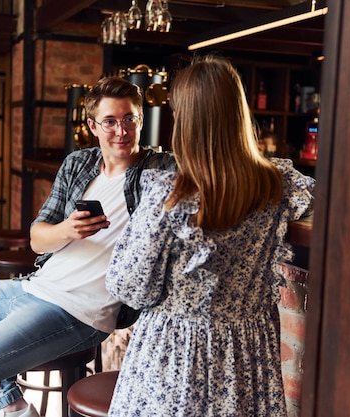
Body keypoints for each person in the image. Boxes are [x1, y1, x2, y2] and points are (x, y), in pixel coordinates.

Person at [0, 76, 175, 417]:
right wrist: (67, 230)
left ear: (141, 121)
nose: (121, 130)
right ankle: (14, 405)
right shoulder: (78, 164)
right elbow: (38, 238)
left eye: (130, 119)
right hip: (35, 287)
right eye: (110, 121)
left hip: (79, 310)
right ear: (92, 126)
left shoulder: (161, 170)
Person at [105, 55, 315, 416]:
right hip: (249, 357)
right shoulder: (278, 183)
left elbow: (129, 286)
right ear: (239, 114)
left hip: (176, 358)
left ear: (186, 121)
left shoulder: (170, 195)